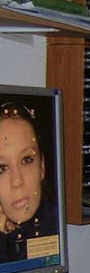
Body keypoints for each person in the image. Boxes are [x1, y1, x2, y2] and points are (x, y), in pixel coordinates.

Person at [0, 102, 57, 263]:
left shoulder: (56, 228)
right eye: (1, 168)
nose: (17, 181)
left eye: (26, 160)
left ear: (42, 166)